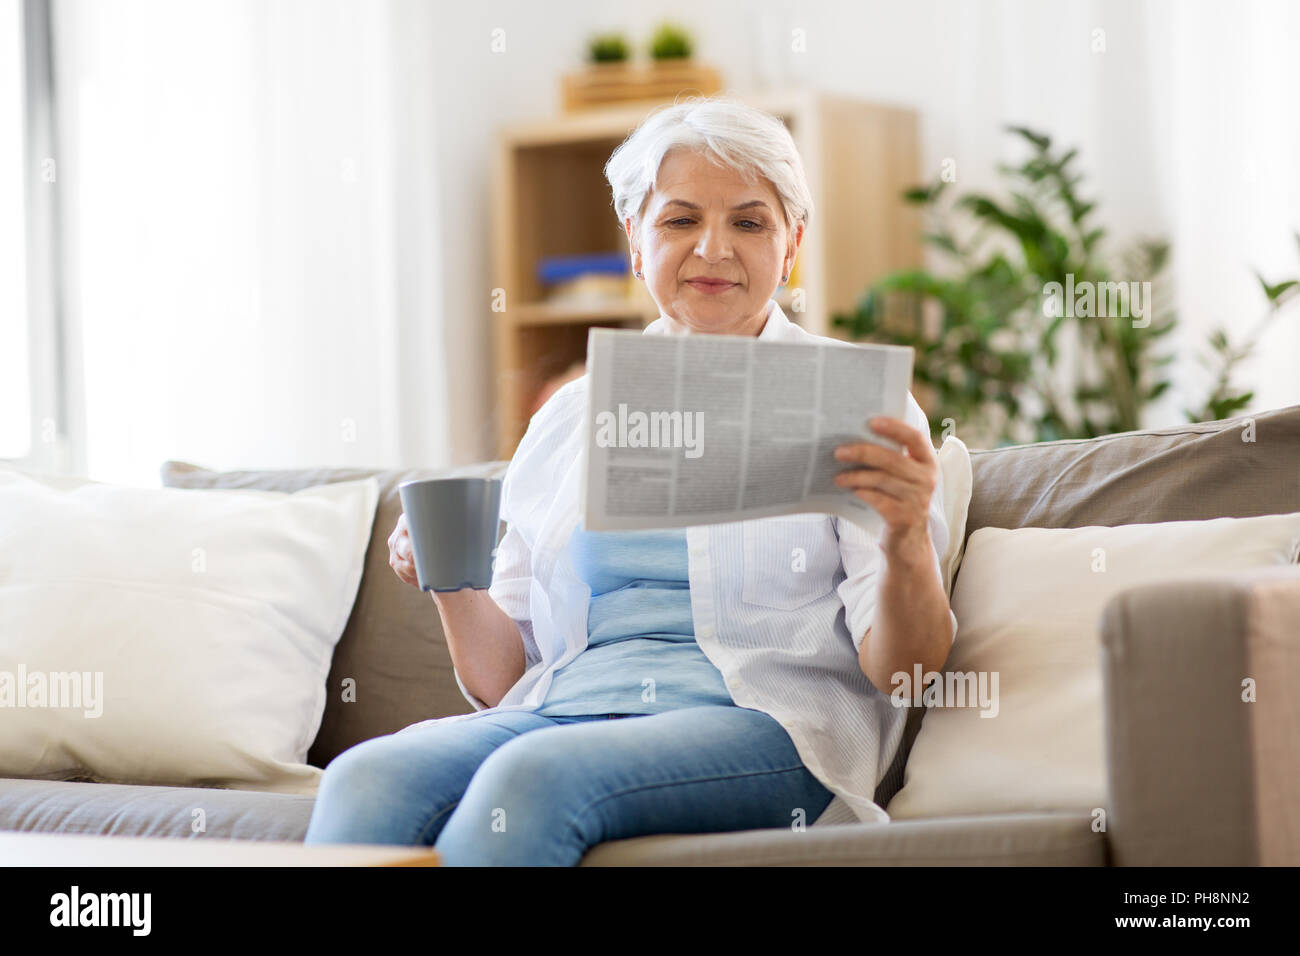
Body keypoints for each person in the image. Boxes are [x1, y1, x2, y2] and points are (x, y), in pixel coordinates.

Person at [304, 95, 956, 865]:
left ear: (791, 246)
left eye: (749, 222)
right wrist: (448, 579)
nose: (713, 249)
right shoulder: (573, 414)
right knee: (368, 777)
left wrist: (910, 538)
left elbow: (907, 673)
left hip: (766, 728)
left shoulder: (853, 402)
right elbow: (502, 677)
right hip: (565, 713)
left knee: (533, 779)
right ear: (637, 244)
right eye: (680, 220)